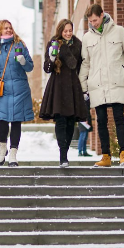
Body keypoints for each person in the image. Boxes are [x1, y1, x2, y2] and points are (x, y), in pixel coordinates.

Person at [78, 4, 124, 167]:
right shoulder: (87, 38)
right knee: (101, 120)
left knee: (118, 118)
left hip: (116, 82)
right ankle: (106, 156)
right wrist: (82, 87)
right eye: (90, 21)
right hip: (97, 85)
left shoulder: (119, 32)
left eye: (95, 20)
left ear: (102, 14)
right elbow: (85, 64)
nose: (93, 23)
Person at [39, 19, 88, 167]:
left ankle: (65, 152)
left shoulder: (78, 45)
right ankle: (63, 155)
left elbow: (77, 65)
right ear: (60, 31)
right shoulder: (53, 44)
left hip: (73, 87)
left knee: (69, 123)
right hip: (58, 87)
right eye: (65, 31)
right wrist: (52, 58)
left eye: (70, 30)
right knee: (60, 121)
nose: (68, 33)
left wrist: (84, 88)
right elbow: (47, 68)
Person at [0, 20, 34, 167]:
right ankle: (2, 148)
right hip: (3, 89)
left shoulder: (20, 45)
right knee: (2, 120)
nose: (8, 30)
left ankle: (13, 153)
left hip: (20, 89)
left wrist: (23, 61)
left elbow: (30, 66)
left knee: (15, 121)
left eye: (10, 28)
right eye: (5, 28)